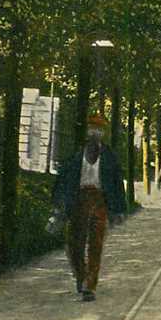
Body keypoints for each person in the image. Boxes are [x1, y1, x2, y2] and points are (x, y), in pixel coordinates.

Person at [49, 115, 126, 302]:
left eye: (99, 130)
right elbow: (62, 181)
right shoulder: (75, 156)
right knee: (74, 245)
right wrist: (58, 207)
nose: (95, 133)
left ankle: (89, 286)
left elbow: (117, 184)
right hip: (78, 202)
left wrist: (118, 210)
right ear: (86, 132)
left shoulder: (109, 157)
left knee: (95, 244)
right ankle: (81, 276)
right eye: (92, 129)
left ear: (103, 134)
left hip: (99, 202)